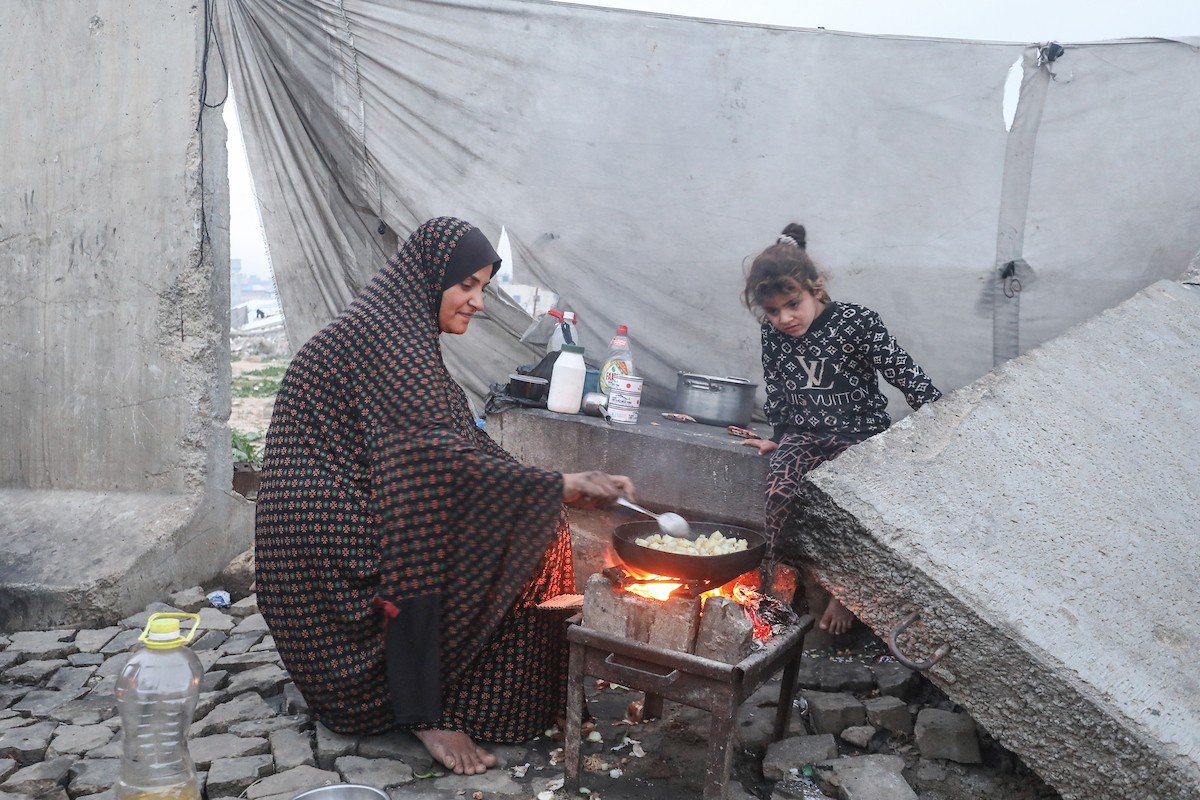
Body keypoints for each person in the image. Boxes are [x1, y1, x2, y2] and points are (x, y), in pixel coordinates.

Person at [254, 217, 634, 776]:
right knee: (520, 528)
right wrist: (556, 487)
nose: (477, 302)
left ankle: (461, 690)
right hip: (327, 541)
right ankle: (424, 706)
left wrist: (557, 484)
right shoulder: (386, 340)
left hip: (357, 505)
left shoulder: (402, 335)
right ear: (430, 278)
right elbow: (434, 462)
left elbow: (460, 442)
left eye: (482, 287)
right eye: (467, 285)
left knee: (536, 515)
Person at [740, 223, 941, 637]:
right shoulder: (773, 335)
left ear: (815, 287)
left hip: (860, 437)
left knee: (854, 508)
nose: (785, 318)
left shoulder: (855, 322)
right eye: (773, 312)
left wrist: (938, 414)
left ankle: (846, 593)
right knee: (779, 493)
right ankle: (777, 588)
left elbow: (900, 368)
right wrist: (778, 434)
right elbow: (777, 385)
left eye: (792, 304)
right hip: (805, 434)